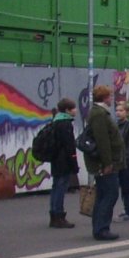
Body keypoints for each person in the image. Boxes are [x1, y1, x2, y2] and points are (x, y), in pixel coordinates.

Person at [83, 84, 123, 240]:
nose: (111, 99)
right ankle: (101, 228)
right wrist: (107, 163)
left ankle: (99, 226)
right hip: (105, 163)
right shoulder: (100, 114)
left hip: (104, 162)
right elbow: (103, 141)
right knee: (110, 194)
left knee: (104, 194)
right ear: (105, 97)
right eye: (110, 96)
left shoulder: (98, 113)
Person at [48, 98, 78, 228]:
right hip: (64, 160)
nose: (75, 110)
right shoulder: (66, 124)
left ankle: (54, 213)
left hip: (55, 159)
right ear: (67, 110)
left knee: (56, 186)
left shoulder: (55, 121)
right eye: (73, 108)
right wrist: (74, 164)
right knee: (61, 187)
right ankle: (59, 215)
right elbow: (69, 146)